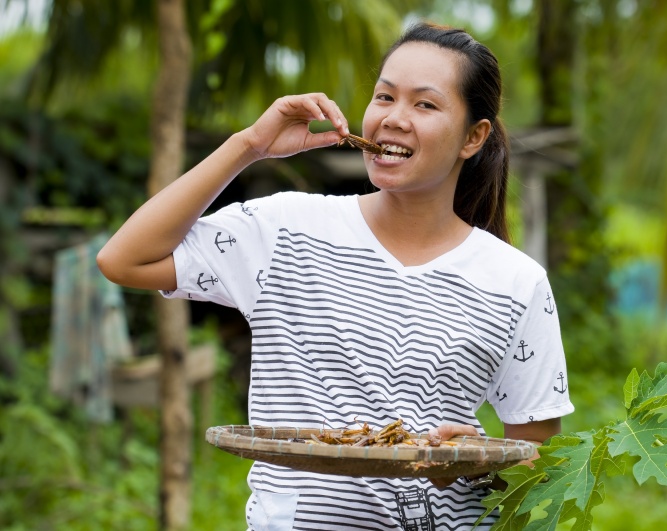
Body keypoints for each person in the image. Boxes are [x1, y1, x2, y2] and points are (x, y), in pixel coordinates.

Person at [97, 21, 574, 531]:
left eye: (425, 105)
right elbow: (124, 259)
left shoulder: (515, 281)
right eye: (384, 96)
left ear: (473, 137)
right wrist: (250, 144)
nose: (394, 118)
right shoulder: (287, 229)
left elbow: (539, 458)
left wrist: (480, 464)